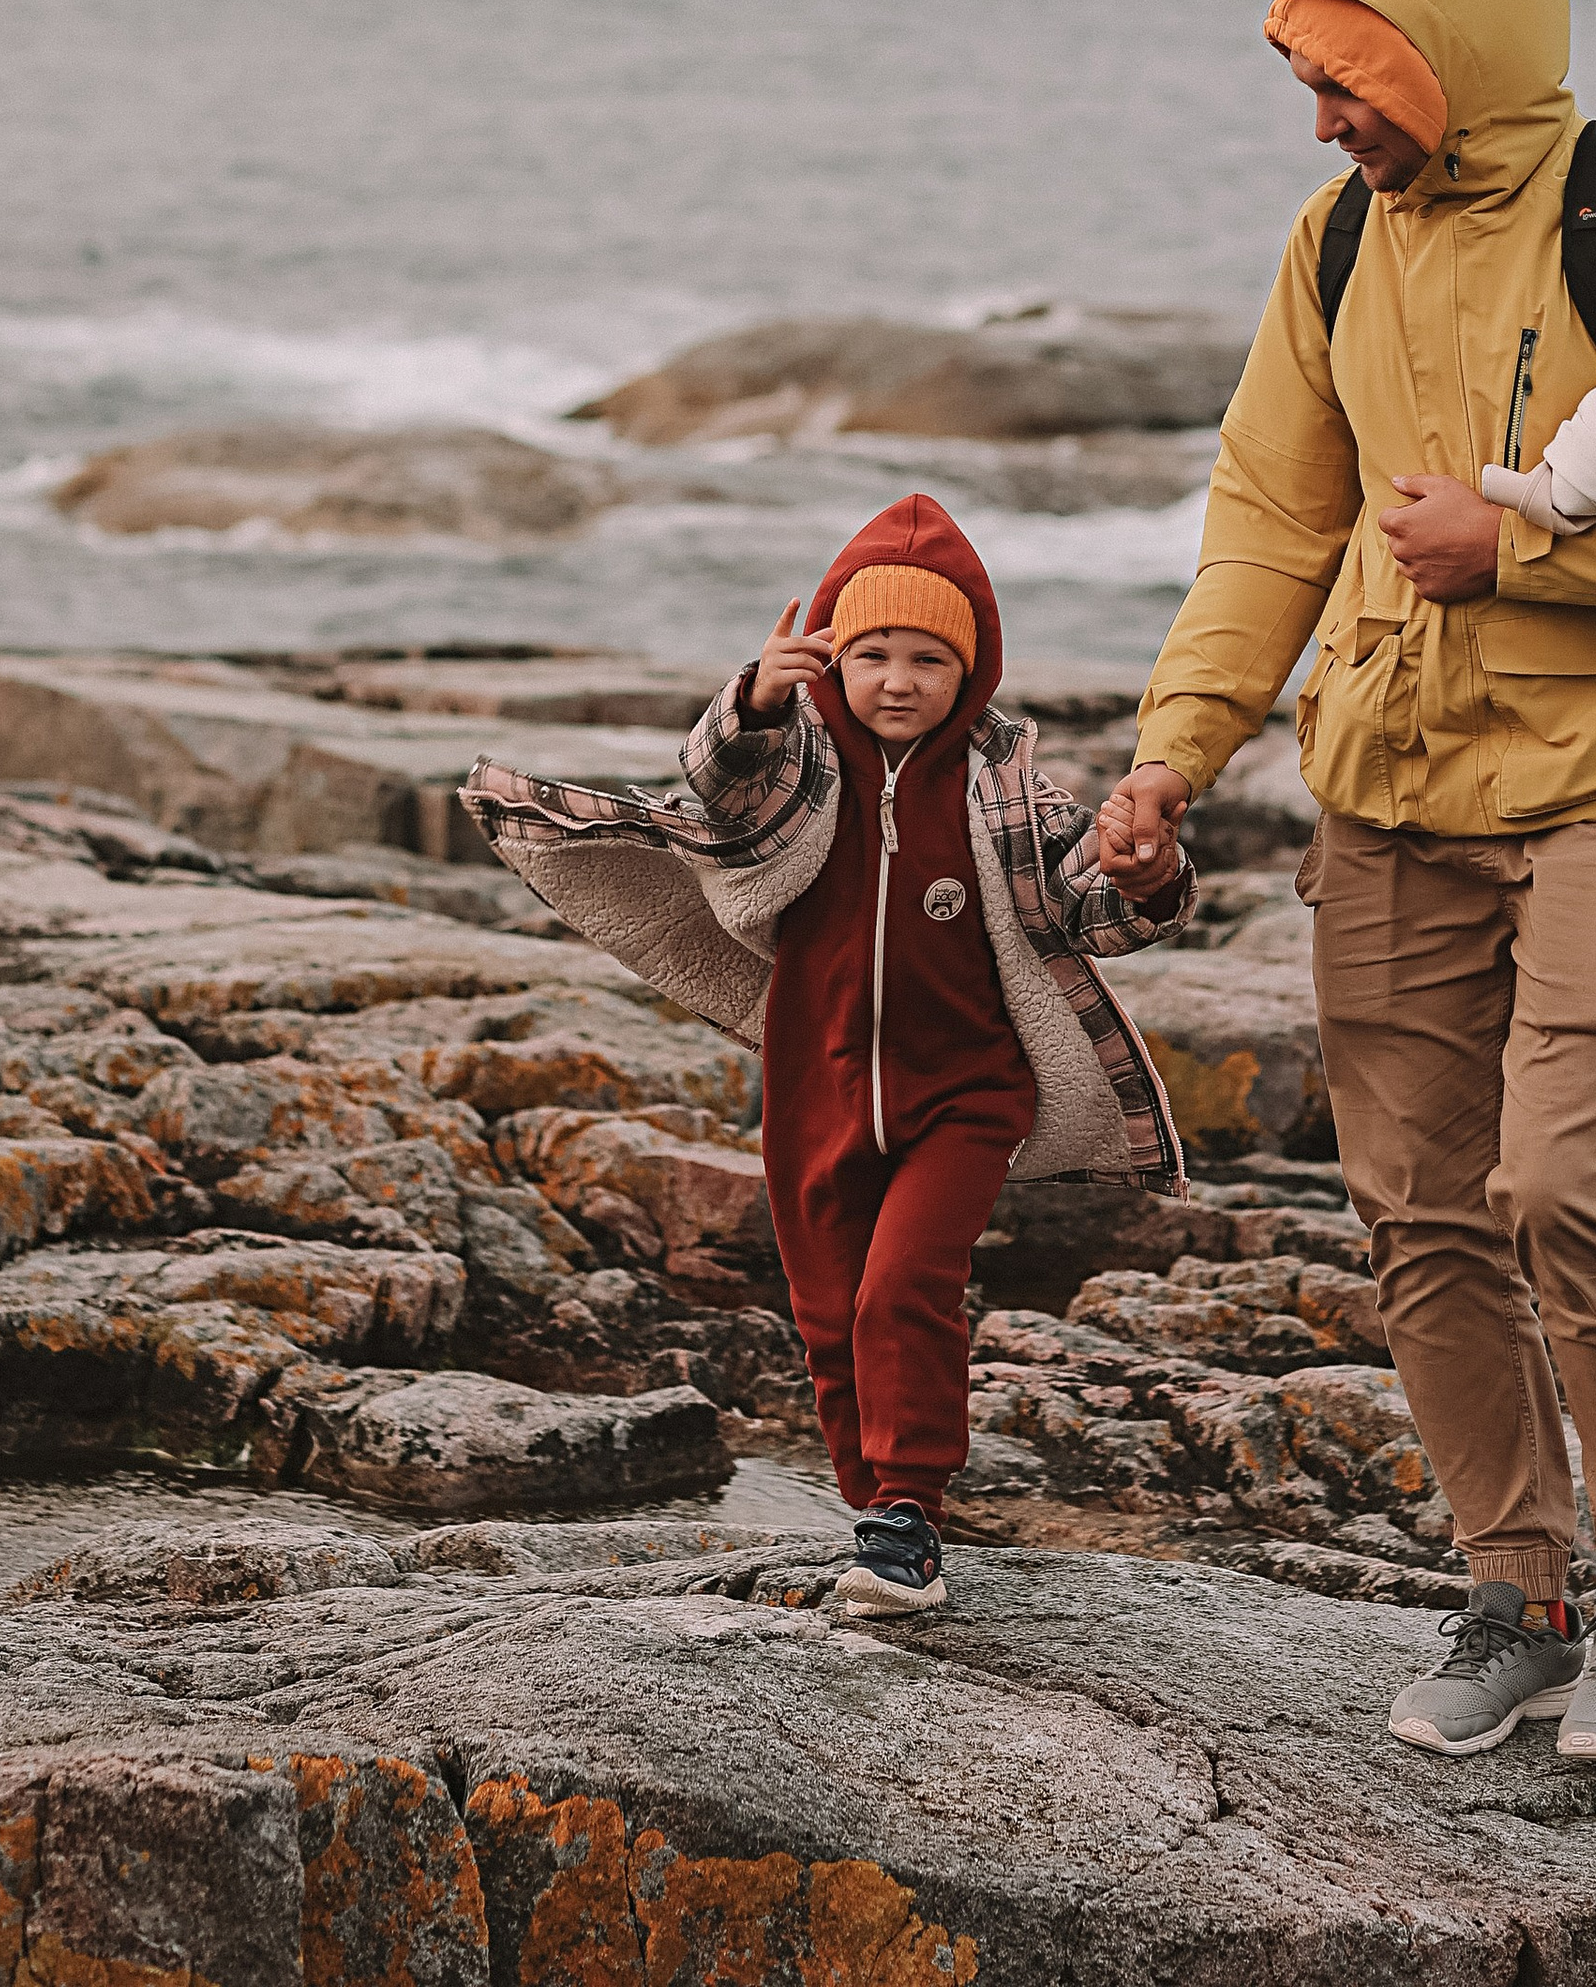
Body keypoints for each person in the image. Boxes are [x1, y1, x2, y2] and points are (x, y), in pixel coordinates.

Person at [1097, 0, 1596, 1762]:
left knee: (1570, 1188)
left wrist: (1515, 547)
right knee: (1420, 1212)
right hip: (1383, 784)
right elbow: (1274, 518)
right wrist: (1179, 750)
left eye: (1354, 80)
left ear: (1457, 53)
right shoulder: (1335, 240)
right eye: (1310, 85)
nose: (1325, 118)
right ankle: (1516, 1590)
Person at [462, 491, 1194, 1617]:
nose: (898, 681)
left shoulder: (1005, 785)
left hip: (967, 1093)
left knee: (907, 1285)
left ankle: (908, 1512)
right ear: (833, 661)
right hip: (820, 1085)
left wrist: (1144, 880)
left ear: (974, 668)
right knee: (828, 1310)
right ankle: (877, 1520)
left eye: (928, 659)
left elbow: (1083, 911)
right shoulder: (797, 766)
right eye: (872, 655)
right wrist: (753, 696)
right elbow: (710, 785)